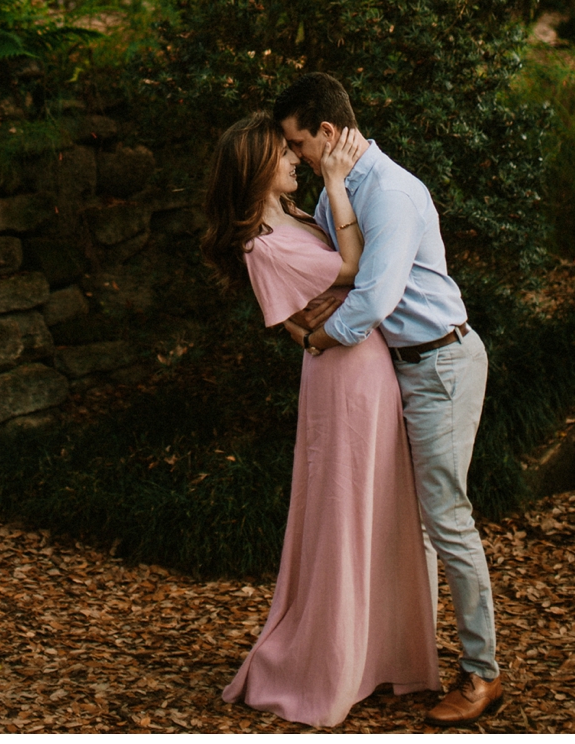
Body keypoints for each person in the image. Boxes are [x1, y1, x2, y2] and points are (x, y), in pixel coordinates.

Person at [273, 73, 503, 728]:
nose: (294, 158)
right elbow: (330, 269)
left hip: (441, 366)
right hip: (395, 369)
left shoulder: (393, 193)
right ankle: (400, 657)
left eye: (297, 144)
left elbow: (370, 299)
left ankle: (483, 672)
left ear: (325, 132)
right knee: (404, 519)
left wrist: (316, 337)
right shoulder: (339, 193)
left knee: (444, 516)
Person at [200, 112, 440, 729]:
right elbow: (355, 270)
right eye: (283, 155)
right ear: (256, 169)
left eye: (293, 150)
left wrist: (305, 328)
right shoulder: (265, 241)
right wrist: (337, 181)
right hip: (344, 376)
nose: (294, 161)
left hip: (361, 363)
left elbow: (311, 313)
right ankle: (331, 661)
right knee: (343, 509)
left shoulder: (295, 220)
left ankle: (380, 653)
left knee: (379, 505)